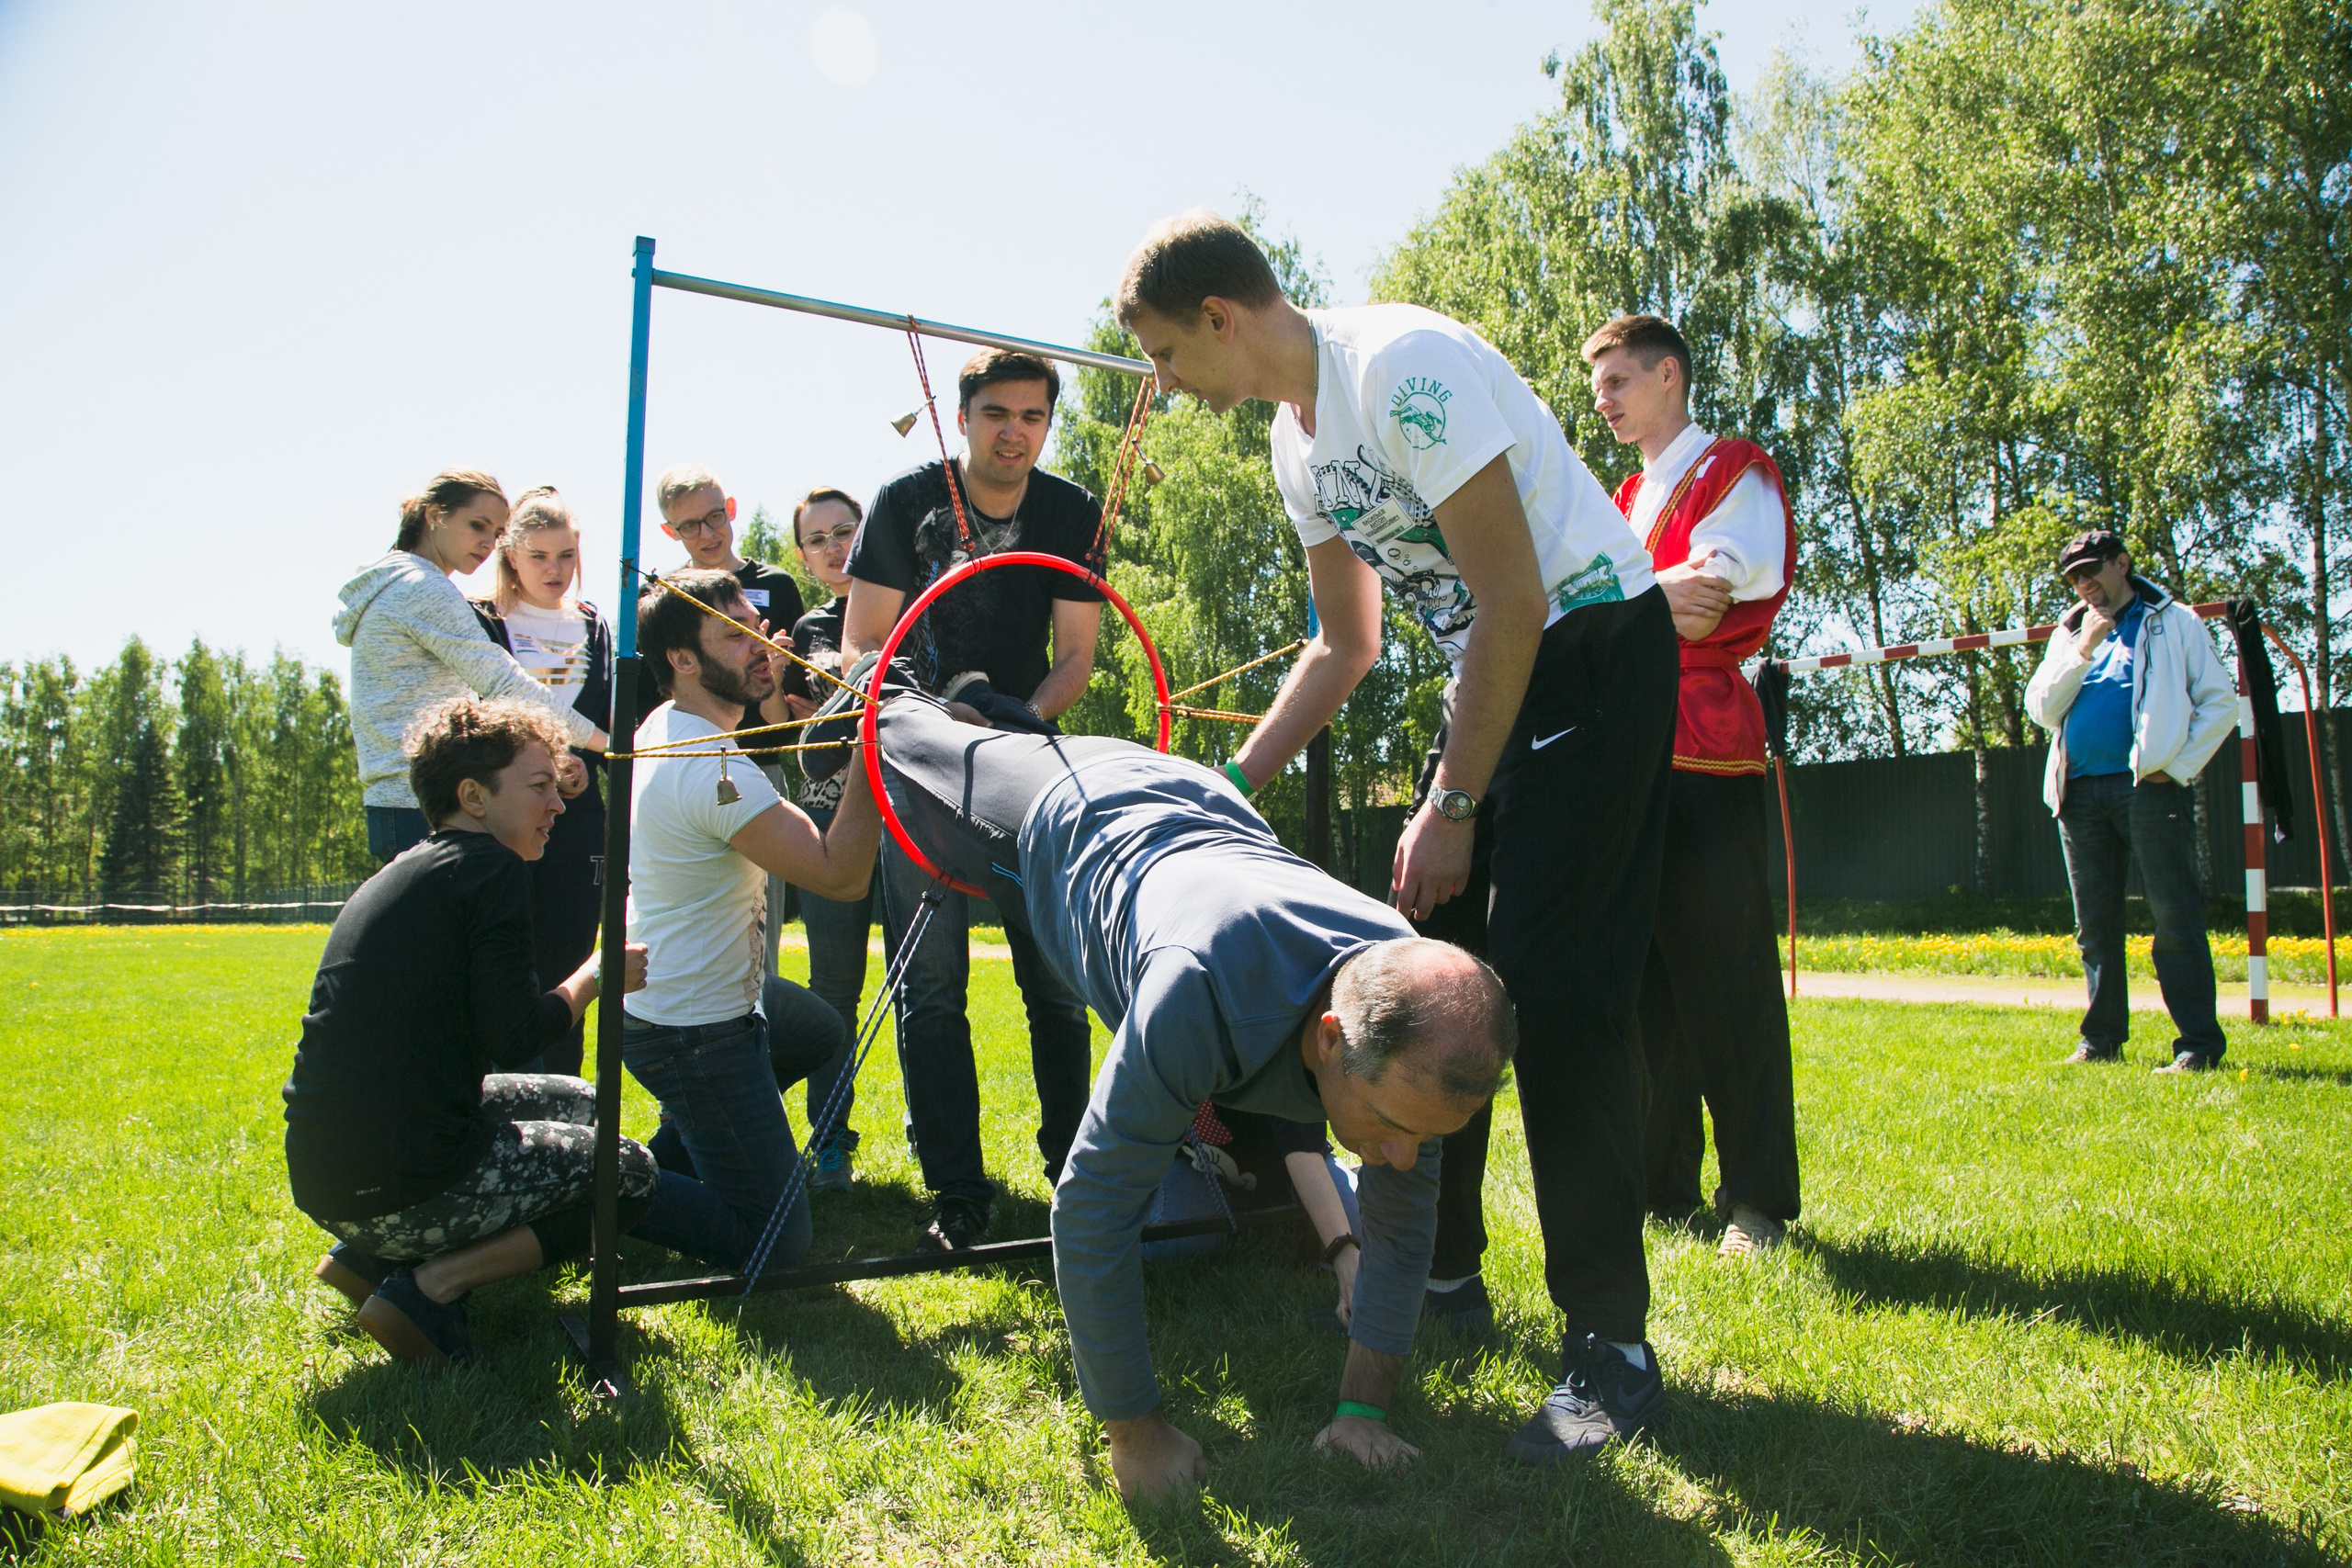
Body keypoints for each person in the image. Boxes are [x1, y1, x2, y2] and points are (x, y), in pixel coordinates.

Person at [1114, 210, 1677, 1465]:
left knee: (1557, 992)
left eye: (1161, 355)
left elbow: (1519, 599)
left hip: (1590, 649)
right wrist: (1229, 780)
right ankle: (1442, 1276)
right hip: (1500, 670)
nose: (1162, 385)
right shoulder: (1291, 442)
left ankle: (1614, 1354)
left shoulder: (1398, 369)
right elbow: (1346, 642)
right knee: (1419, 972)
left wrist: (1454, 802)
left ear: (1219, 318)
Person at [829, 691, 1514, 1503]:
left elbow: (1400, 1228)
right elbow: (1090, 1206)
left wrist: (1363, 1408)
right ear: (1329, 1037)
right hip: (1070, 808)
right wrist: (1136, 1434)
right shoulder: (1198, 989)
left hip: (1206, 811)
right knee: (917, 742)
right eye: (1397, 1129)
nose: (1401, 1155)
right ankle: (876, 688)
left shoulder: (1414, 1021)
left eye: (1424, 1137)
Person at [282, 695, 655, 1367]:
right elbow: (517, 1033)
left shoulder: (420, 865)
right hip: (394, 1181)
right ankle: (427, 1288)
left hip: (332, 1170)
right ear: (474, 796)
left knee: (581, 1102)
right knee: (627, 1172)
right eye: (540, 786)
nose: (559, 806)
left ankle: (366, 1260)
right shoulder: (490, 869)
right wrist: (597, 974)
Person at [841, 348, 1106, 1252]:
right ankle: (957, 1196)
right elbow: (861, 647)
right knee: (930, 989)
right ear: (963, 417)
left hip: (1026, 764)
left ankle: (1078, 1172)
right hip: (917, 760)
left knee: (1057, 984)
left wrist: (1013, 724)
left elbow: (1077, 652)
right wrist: (933, 717)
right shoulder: (904, 501)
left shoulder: (1069, 511)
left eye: (1033, 417)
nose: (1015, 432)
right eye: (997, 413)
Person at [1584, 314, 1803, 1258]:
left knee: (1728, 978)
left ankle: (1755, 1200)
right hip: (1633, 750)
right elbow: (1635, 603)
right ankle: (1662, 1183)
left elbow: (1709, 590)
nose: (1603, 401)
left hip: (1706, 749)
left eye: (1618, 381)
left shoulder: (1734, 473)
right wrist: (1633, 605)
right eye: (1598, 386)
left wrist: (1617, 605)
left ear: (1668, 375)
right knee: (1646, 985)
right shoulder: (1630, 491)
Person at [622, 569, 881, 1272]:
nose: (763, 647)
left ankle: (675, 1153)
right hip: (692, 1031)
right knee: (776, 1246)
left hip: (694, 1007)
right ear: (680, 659)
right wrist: (872, 746)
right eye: (733, 637)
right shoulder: (705, 765)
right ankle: (608, 1192)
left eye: (758, 629)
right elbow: (840, 872)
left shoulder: (676, 729)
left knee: (817, 1031)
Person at [2024, 529, 2237, 1073]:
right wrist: (2083, 649)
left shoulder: (2176, 621)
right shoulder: (2070, 632)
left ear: (2122, 563)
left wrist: (2176, 768)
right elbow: (2044, 710)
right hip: (2079, 795)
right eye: (2073, 577)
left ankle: (2197, 1046)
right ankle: (2100, 1041)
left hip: (2148, 788)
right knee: (2094, 924)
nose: (2083, 583)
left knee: (2174, 917)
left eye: (2092, 569)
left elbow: (2220, 703)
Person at [335, 469, 609, 864]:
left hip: (404, 802)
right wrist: (605, 742)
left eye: (496, 533)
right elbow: (502, 682)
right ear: (433, 516)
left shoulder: (396, 581)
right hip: (418, 806)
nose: (487, 543)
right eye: (477, 525)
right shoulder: (421, 587)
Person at [639, 464, 809, 990]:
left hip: (759, 769)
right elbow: (660, 695)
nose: (707, 534)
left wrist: (775, 677)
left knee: (760, 928)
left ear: (731, 509)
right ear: (670, 531)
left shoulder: (775, 584)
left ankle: (756, 1026)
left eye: (714, 517)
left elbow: (797, 704)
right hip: (689, 770)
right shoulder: (666, 597)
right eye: (689, 526)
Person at [474, 486, 613, 1077]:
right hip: (498, 820)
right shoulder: (481, 621)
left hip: (578, 822)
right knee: (496, 962)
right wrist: (542, 764)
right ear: (509, 555)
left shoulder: (595, 625)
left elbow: (608, 723)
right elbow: (476, 713)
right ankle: (491, 1099)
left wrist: (588, 765)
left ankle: (565, 1103)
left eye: (566, 555)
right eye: (538, 556)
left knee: (568, 963)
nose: (554, 570)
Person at [775, 488, 873, 1191]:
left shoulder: (907, 604)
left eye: (847, 530)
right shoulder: (806, 627)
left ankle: (933, 1143)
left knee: (928, 987)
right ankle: (830, 1141)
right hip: (826, 823)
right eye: (819, 539)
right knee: (832, 989)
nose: (836, 546)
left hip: (905, 824)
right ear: (805, 557)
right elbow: (795, 736)